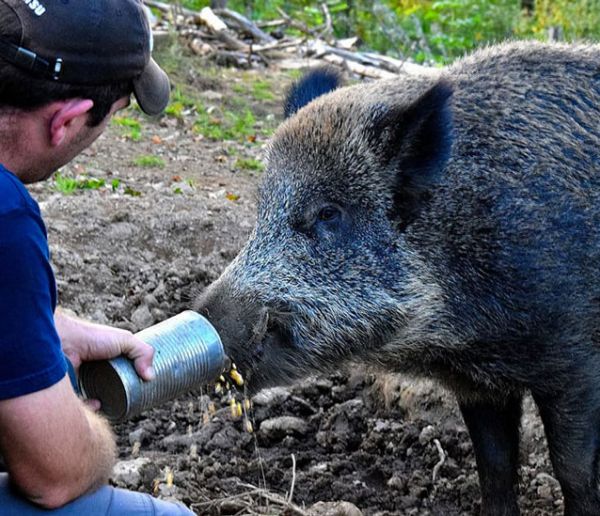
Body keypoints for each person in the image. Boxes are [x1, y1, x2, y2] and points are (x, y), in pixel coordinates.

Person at [0, 1, 194, 514]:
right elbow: (53, 476)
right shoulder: (4, 218)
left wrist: (42, 325)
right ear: (66, 120)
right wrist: (89, 429)